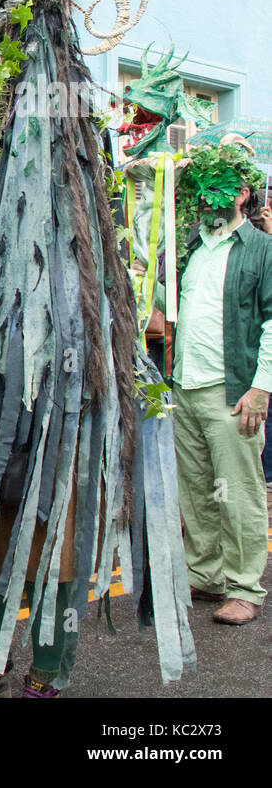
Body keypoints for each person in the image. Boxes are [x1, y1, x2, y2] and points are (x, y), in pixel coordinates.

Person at [172, 146, 271, 626]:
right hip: (184, 387)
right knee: (196, 491)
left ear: (243, 194)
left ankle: (245, 586)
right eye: (202, 189)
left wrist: (261, 388)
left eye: (222, 189)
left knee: (237, 492)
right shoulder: (191, 247)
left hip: (232, 391)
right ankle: (207, 575)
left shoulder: (262, 249)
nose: (209, 198)